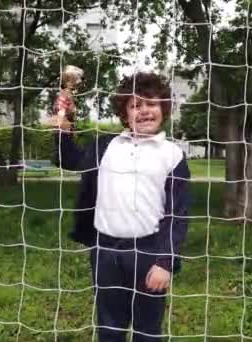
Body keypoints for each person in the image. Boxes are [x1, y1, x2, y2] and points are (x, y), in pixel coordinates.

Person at [48, 71, 191, 342]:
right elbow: (67, 159)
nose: (144, 111)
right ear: (125, 113)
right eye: (135, 105)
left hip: (149, 253)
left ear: (164, 109)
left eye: (151, 104)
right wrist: (64, 121)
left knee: (147, 331)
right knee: (109, 327)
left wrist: (165, 262)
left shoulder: (173, 154)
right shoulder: (105, 146)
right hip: (105, 251)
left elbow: (178, 214)